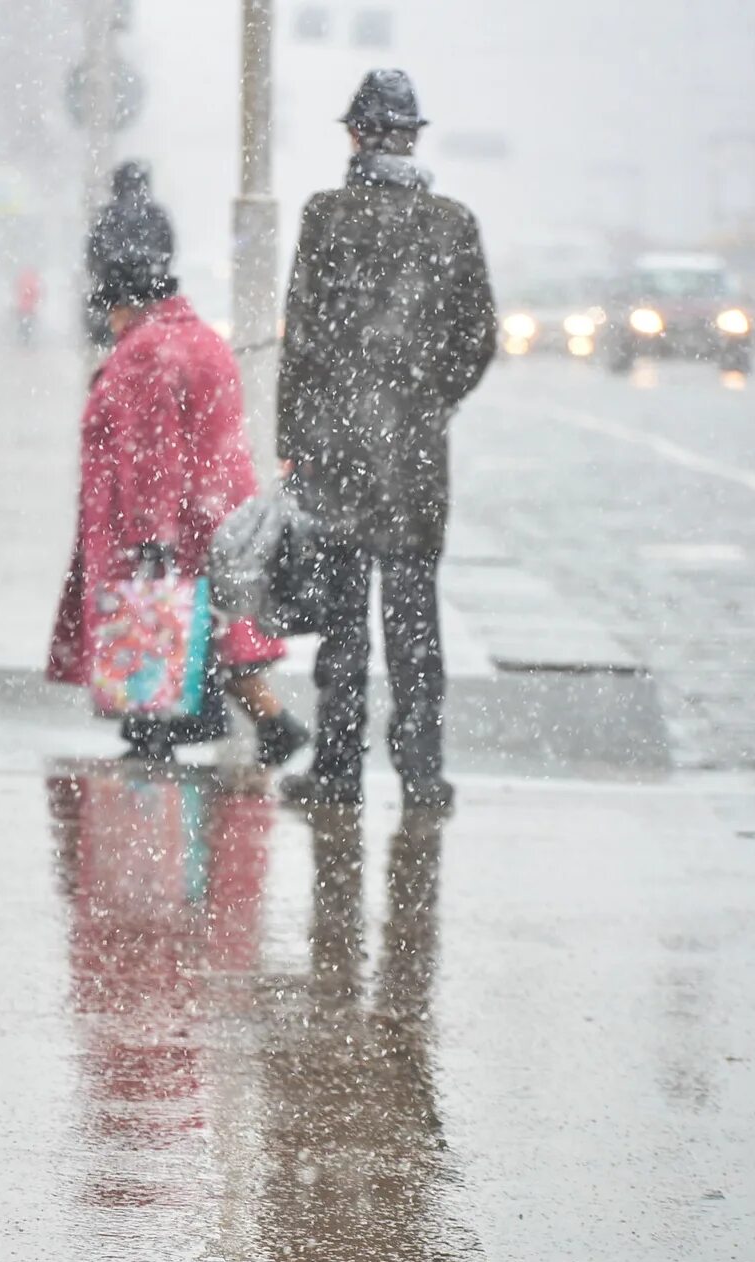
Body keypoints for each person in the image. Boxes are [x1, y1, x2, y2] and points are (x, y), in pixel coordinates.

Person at [276, 70, 496, 811]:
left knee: (342, 623)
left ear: (354, 136)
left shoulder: (325, 217)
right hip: (414, 460)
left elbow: (300, 340)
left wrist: (294, 441)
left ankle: (337, 768)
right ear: (412, 137)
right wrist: (431, 401)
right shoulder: (452, 224)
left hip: (338, 453)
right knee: (414, 624)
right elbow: (478, 339)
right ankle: (423, 772)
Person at [46, 242, 311, 768]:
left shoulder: (149, 351)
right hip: (212, 508)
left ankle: (155, 729)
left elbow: (151, 451)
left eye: (112, 308)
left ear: (128, 303)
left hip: (168, 517)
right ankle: (274, 726)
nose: (110, 320)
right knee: (211, 631)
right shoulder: (202, 338)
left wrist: (150, 532)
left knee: (155, 623)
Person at [84, 161, 175, 352]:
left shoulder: (107, 217)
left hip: (114, 305)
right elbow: (168, 253)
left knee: (110, 357)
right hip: (152, 304)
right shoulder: (157, 216)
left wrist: (110, 285)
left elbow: (93, 258)